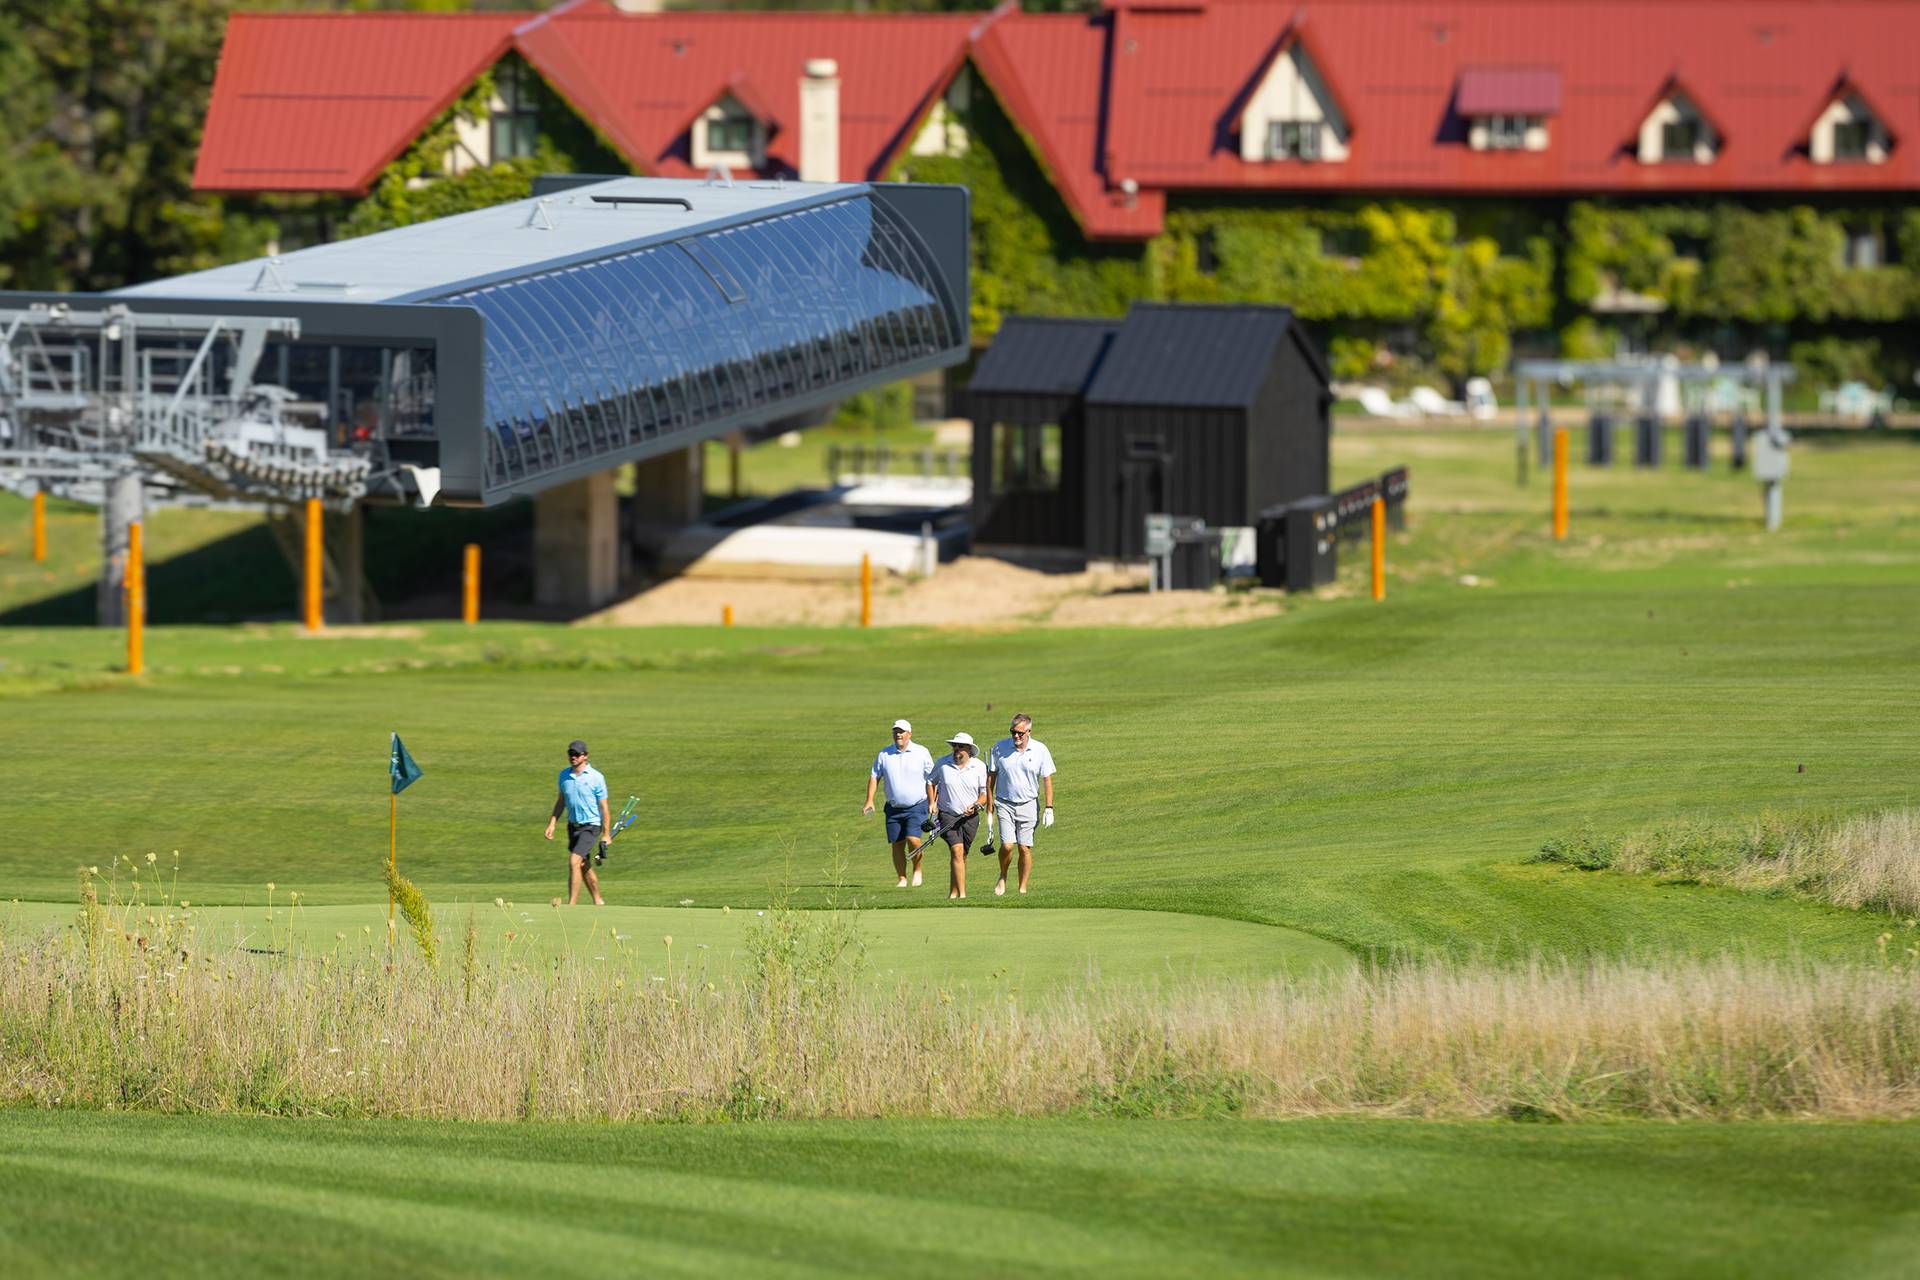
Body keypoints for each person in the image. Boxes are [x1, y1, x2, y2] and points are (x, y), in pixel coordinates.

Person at [986, 713, 1055, 896]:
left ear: (1028, 732)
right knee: (1007, 845)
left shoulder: (1040, 750)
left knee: (1024, 847)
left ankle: (1022, 888)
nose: (1016, 736)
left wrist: (1049, 808)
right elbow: (991, 777)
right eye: (1013, 732)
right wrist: (989, 802)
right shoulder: (1000, 748)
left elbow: (1047, 779)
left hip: (1029, 804)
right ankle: (1003, 874)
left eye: (1020, 733)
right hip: (1005, 803)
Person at [863, 718, 934, 888]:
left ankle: (917, 868)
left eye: (901, 732)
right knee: (897, 844)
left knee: (913, 839)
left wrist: (933, 801)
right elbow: (875, 777)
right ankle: (902, 877)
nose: (898, 734)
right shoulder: (884, 754)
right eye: (896, 731)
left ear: (909, 734)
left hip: (917, 805)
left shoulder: (921, 752)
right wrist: (869, 800)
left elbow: (932, 778)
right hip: (894, 808)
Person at [543, 738, 609, 906]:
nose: (573, 757)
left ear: (585, 756)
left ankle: (571, 905)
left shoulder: (596, 777)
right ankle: (598, 900)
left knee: (574, 861)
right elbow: (561, 801)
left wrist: (606, 834)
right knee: (583, 864)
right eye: (570, 754)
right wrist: (552, 823)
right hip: (573, 826)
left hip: (591, 826)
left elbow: (604, 808)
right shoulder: (564, 776)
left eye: (576, 754)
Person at [927, 731, 989, 900]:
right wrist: (932, 803)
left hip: (970, 817)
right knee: (956, 850)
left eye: (960, 746)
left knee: (962, 855)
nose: (956, 749)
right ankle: (962, 895)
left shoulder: (979, 766)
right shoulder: (943, 764)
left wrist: (976, 805)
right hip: (947, 814)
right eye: (955, 746)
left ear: (969, 749)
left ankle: (953, 892)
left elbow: (984, 794)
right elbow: (930, 782)